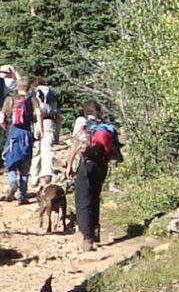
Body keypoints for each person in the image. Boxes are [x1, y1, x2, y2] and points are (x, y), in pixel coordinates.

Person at [68, 104, 121, 249]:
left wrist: (69, 165)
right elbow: (115, 148)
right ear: (99, 112)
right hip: (101, 166)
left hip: (86, 165)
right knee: (95, 196)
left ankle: (87, 238)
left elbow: (75, 145)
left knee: (82, 200)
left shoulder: (83, 123)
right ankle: (95, 229)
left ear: (86, 112)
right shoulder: (108, 126)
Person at [28, 78, 61, 189]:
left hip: (36, 122)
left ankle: (34, 177)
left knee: (36, 149)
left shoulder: (34, 93)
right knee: (47, 149)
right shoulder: (52, 94)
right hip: (49, 122)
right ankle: (47, 174)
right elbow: (58, 115)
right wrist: (57, 134)